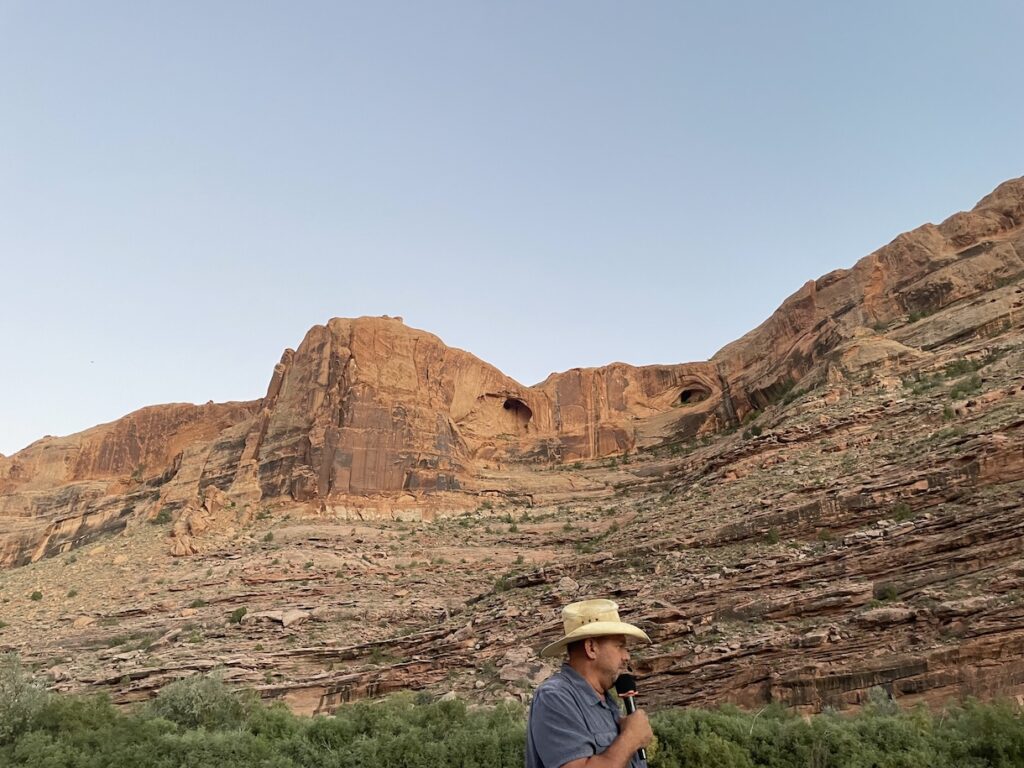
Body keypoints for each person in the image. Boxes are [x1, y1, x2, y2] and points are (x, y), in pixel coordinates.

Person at [526, 599, 654, 768]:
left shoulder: (606, 701)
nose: (626, 656)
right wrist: (631, 738)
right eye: (619, 646)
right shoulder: (555, 698)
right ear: (591, 648)